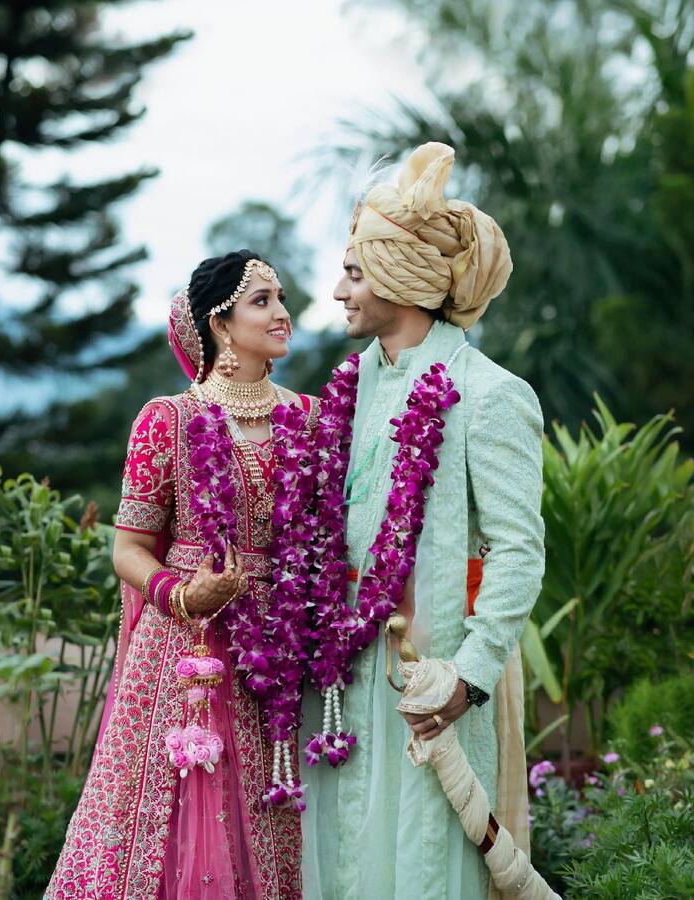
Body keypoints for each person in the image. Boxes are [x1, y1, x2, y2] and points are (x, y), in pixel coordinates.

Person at [301, 143, 545, 900]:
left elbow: (518, 552)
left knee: (423, 865)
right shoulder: (345, 390)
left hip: (429, 687)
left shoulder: (490, 393)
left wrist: (466, 681)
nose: (340, 290)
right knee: (339, 864)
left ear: (401, 278)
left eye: (354, 270)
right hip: (338, 682)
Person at [47, 250, 318, 899]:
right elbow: (130, 547)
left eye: (281, 297)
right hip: (183, 658)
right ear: (219, 323)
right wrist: (185, 593)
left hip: (279, 655)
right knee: (181, 818)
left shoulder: (310, 419)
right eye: (262, 300)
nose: (282, 312)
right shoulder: (166, 420)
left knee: (276, 821)